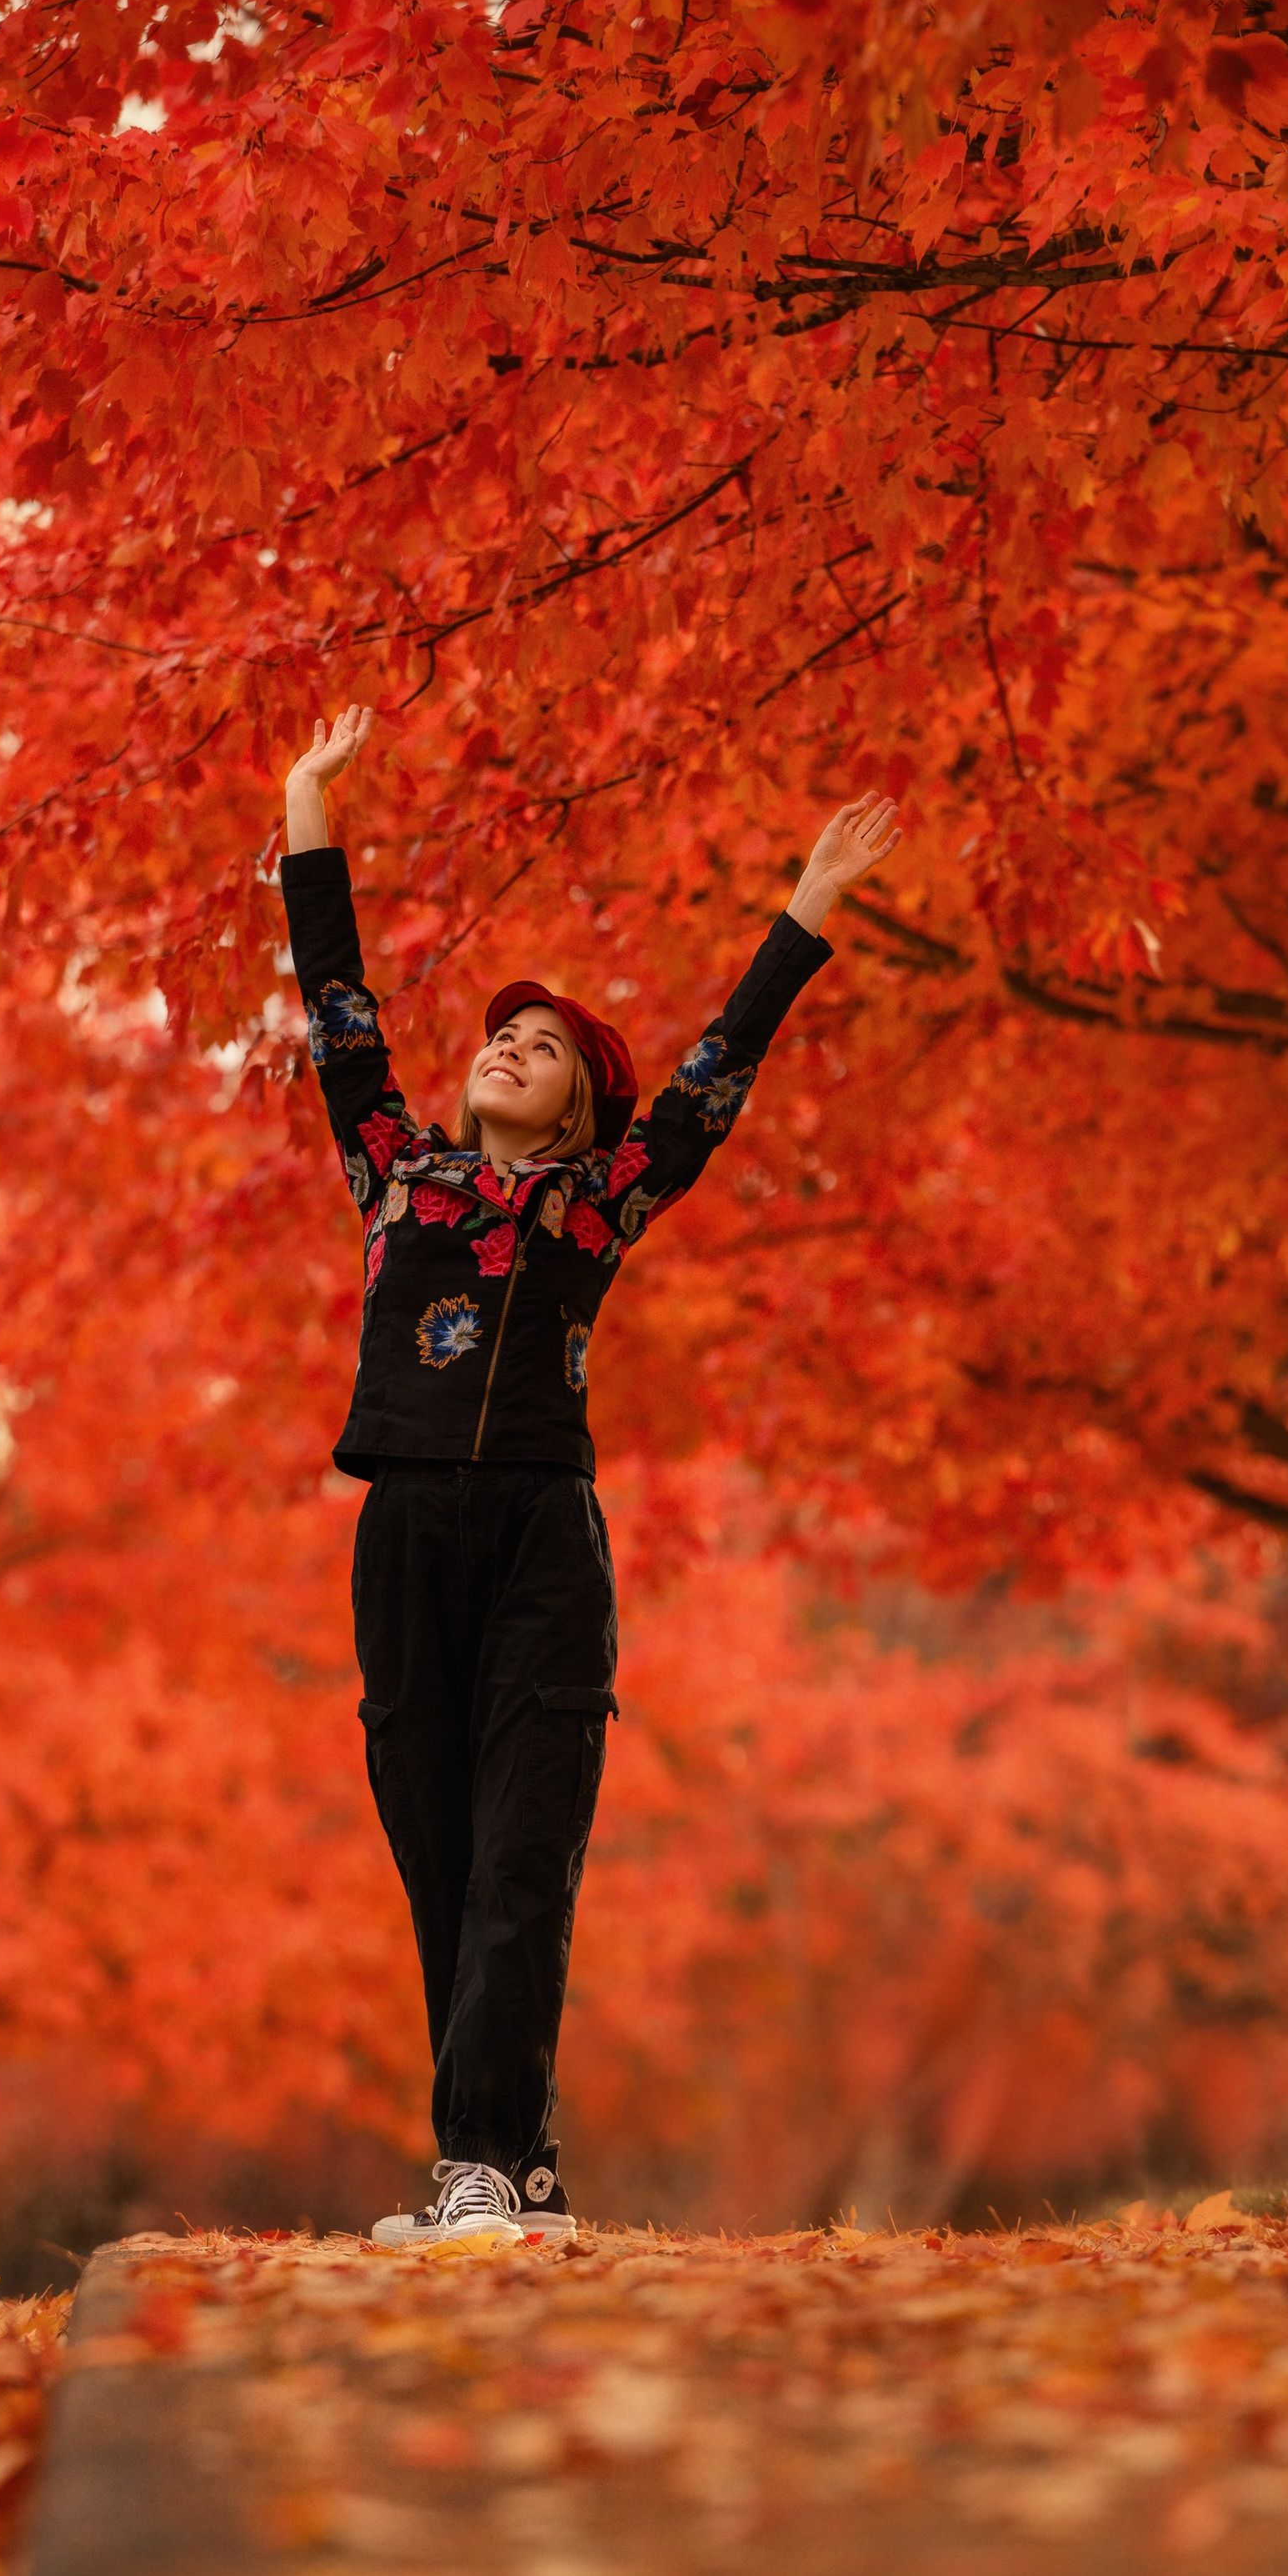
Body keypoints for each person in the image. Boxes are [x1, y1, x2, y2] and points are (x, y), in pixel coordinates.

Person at [279, 707, 903, 2250]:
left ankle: (481, 2169)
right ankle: (518, 2160)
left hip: (546, 1549)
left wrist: (802, 919)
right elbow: (338, 1007)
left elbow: (707, 1085)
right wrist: (306, 809)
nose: (508, 1046)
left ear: (573, 1109)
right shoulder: (396, 1172)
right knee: (436, 1852)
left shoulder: (597, 1208)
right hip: (407, 1536)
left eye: (544, 1048)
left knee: (519, 1856)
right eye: (502, 1032)